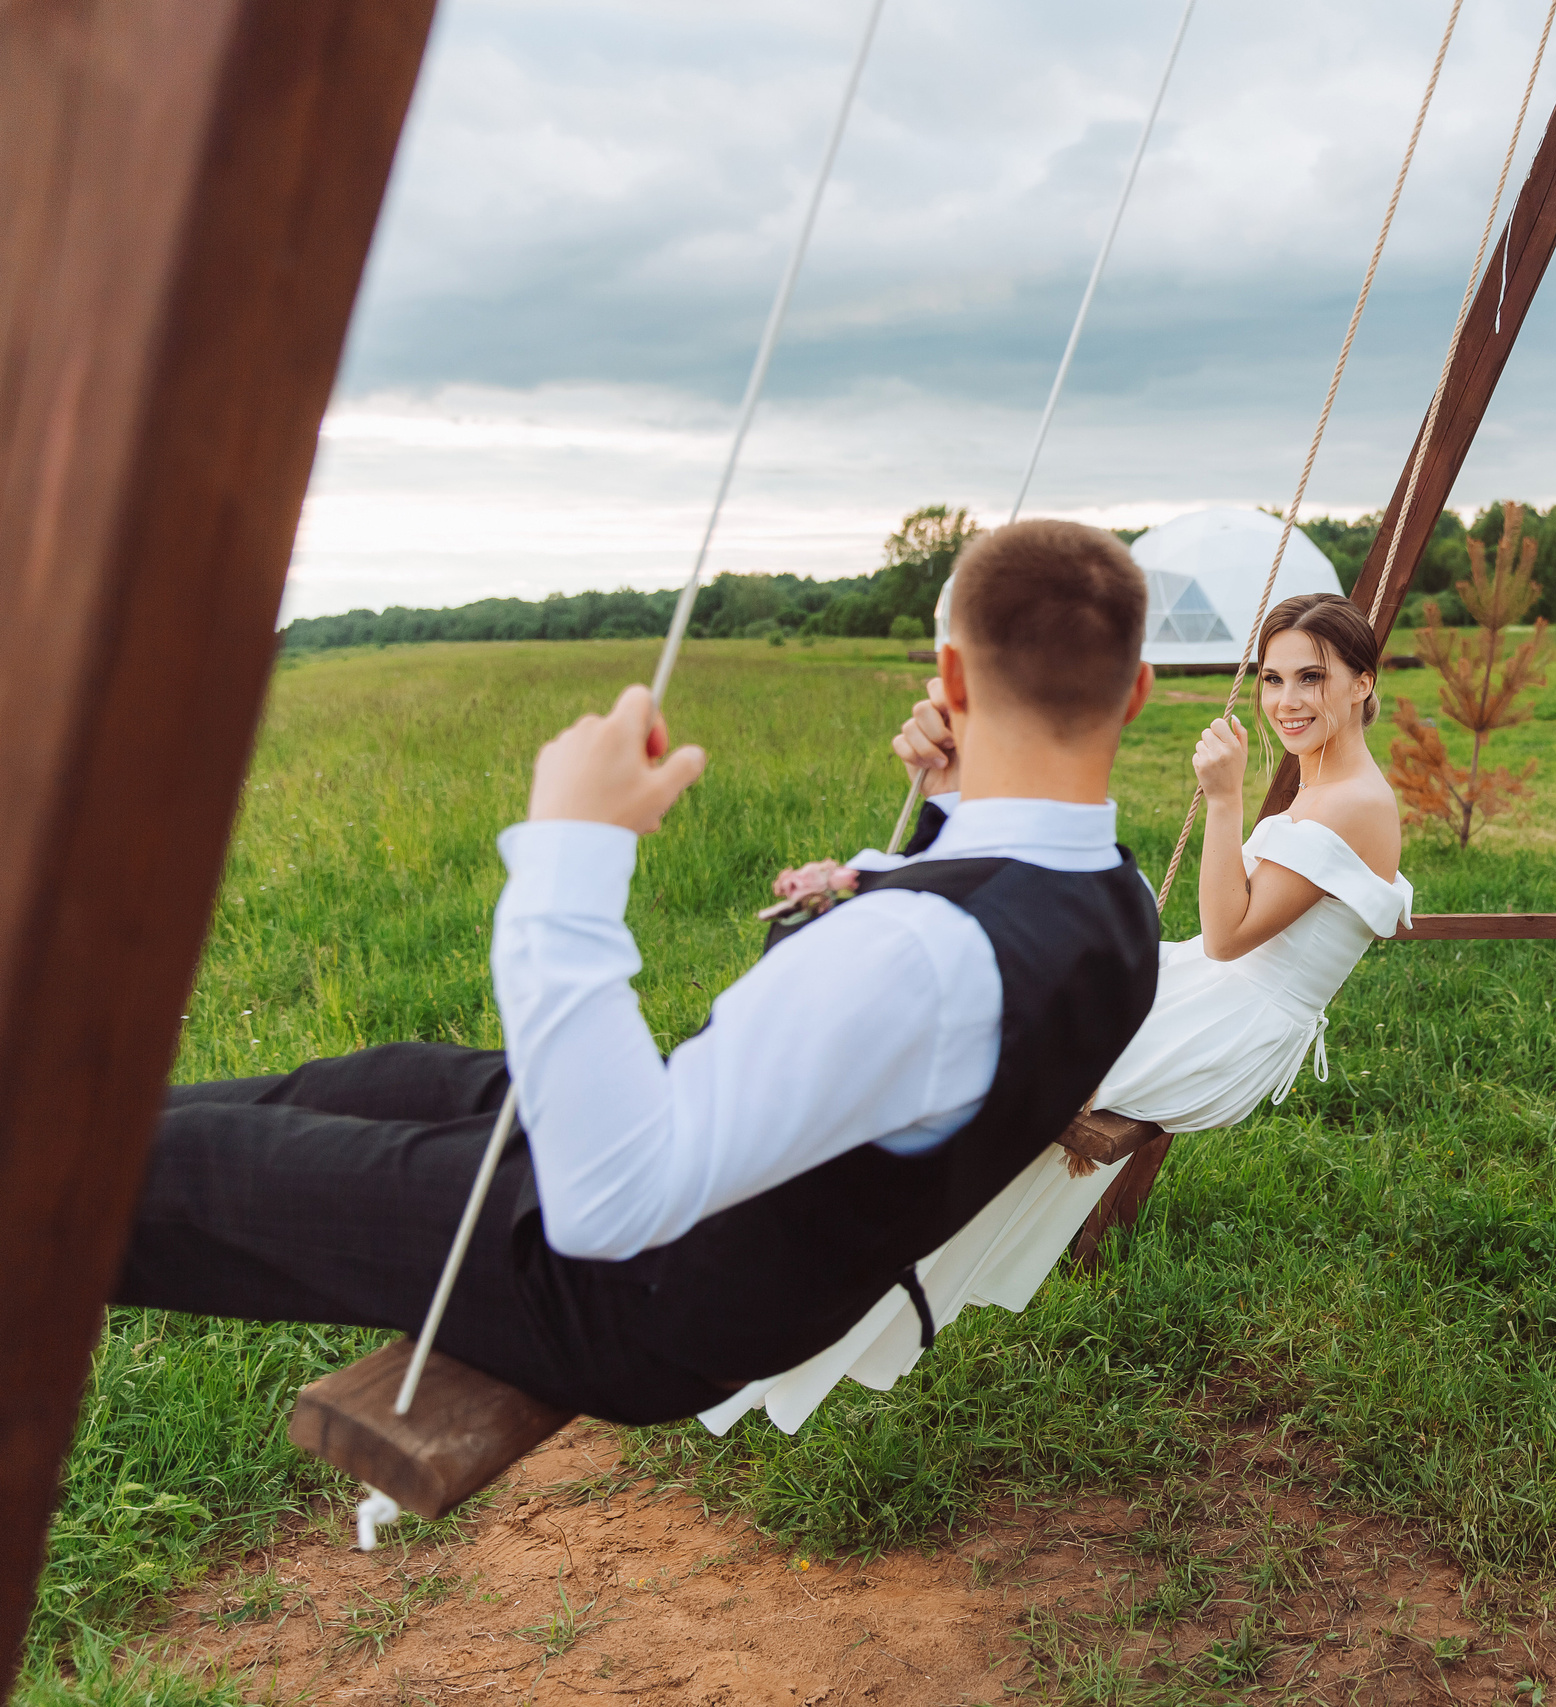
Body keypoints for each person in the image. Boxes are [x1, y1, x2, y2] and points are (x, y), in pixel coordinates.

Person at [115, 520, 1163, 1427]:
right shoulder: (1121, 903)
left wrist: (571, 845)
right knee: (395, 1082)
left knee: (196, 1169)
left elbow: (608, 1203)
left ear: (950, 678)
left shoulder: (914, 952)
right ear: (1139, 692)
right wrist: (946, 800)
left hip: (637, 1297)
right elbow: (992, 923)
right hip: (753, 1227)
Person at [702, 592, 1408, 1436]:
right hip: (1209, 993)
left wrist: (1225, 799)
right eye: (1272, 677)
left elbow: (1228, 936)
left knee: (986, 1050)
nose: (1287, 700)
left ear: (1364, 682)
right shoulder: (1329, 787)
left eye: (1313, 678)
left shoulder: (1353, 800)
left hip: (1224, 1023)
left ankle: (795, 1231)